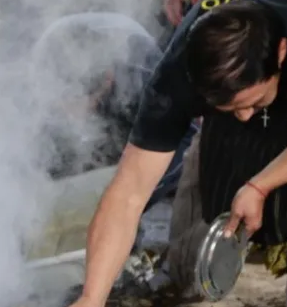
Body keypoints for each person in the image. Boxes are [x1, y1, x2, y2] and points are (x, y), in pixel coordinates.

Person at [52, 0, 287, 307]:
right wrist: (91, 298)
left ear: (282, 53)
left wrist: (260, 184)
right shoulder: (175, 77)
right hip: (240, 90)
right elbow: (128, 193)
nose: (245, 116)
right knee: (191, 263)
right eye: (231, 106)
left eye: (252, 102)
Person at [29, 12, 198, 211]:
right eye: (65, 105)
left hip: (130, 80)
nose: (74, 115)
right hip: (64, 48)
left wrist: (130, 198)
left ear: (107, 81)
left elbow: (185, 144)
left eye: (82, 104)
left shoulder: (144, 76)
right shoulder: (44, 72)